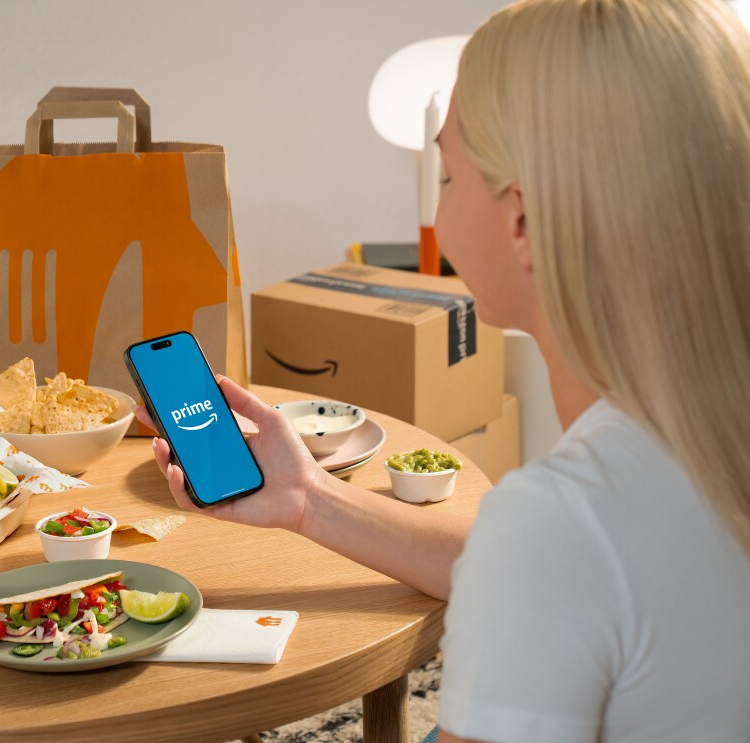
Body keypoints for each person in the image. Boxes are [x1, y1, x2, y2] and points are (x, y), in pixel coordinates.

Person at [136, 0, 750, 740]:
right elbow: (549, 572)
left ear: (522, 219)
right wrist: (310, 499)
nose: (440, 211)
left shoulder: (564, 522)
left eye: (449, 175)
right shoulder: (686, 448)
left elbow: (553, 558)